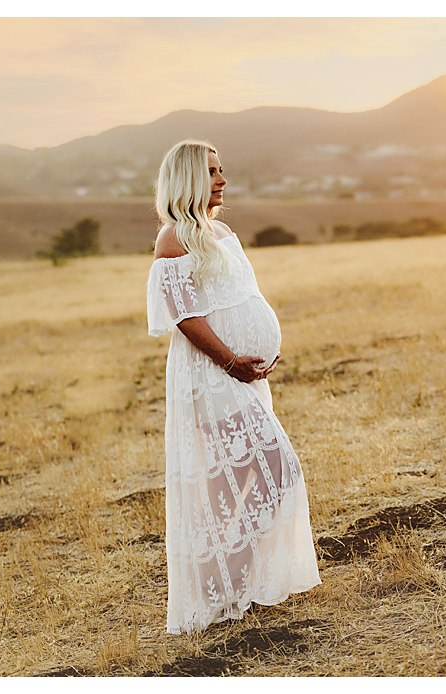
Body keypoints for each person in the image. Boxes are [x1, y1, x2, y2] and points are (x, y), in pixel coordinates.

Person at [146, 139, 322, 635]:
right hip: (212, 376)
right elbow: (184, 316)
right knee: (272, 469)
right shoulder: (173, 238)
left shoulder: (221, 231)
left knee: (241, 483)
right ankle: (221, 583)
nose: (222, 179)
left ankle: (226, 583)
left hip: (243, 375)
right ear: (188, 180)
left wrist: (262, 343)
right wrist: (229, 359)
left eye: (222, 170)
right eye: (213, 172)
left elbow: (242, 296)